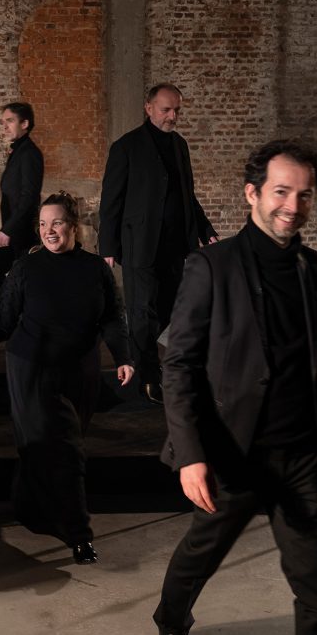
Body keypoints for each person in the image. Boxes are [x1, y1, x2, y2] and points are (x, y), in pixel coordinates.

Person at [153, 141, 317, 635]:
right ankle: (170, 618)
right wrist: (191, 455)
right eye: (281, 192)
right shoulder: (211, 266)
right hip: (232, 453)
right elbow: (178, 364)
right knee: (201, 553)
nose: (293, 206)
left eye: (304, 195)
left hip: (303, 456)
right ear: (252, 193)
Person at [0, 192, 133, 564]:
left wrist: (123, 356)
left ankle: (27, 504)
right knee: (67, 449)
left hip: (80, 370)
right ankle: (79, 533)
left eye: (56, 222)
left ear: (73, 226)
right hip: (32, 368)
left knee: (49, 447)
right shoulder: (27, 268)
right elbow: (3, 319)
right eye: (42, 224)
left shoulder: (95, 269)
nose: (49, 231)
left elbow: (111, 315)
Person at [98, 83, 218, 404]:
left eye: (177, 110)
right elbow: (111, 201)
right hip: (139, 245)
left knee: (169, 308)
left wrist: (204, 228)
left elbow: (187, 196)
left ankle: (141, 355)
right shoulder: (126, 147)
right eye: (166, 110)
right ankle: (148, 377)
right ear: (148, 107)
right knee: (142, 311)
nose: (172, 116)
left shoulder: (180, 145)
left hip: (176, 246)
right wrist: (107, 247)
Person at [0, 102, 44, 296]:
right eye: (3, 122)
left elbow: (29, 197)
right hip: (14, 230)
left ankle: (10, 312)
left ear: (24, 123)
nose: (5, 127)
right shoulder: (19, 151)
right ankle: (10, 311)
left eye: (10, 121)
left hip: (21, 231)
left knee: (4, 275)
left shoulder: (29, 153)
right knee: (0, 275)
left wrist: (8, 229)